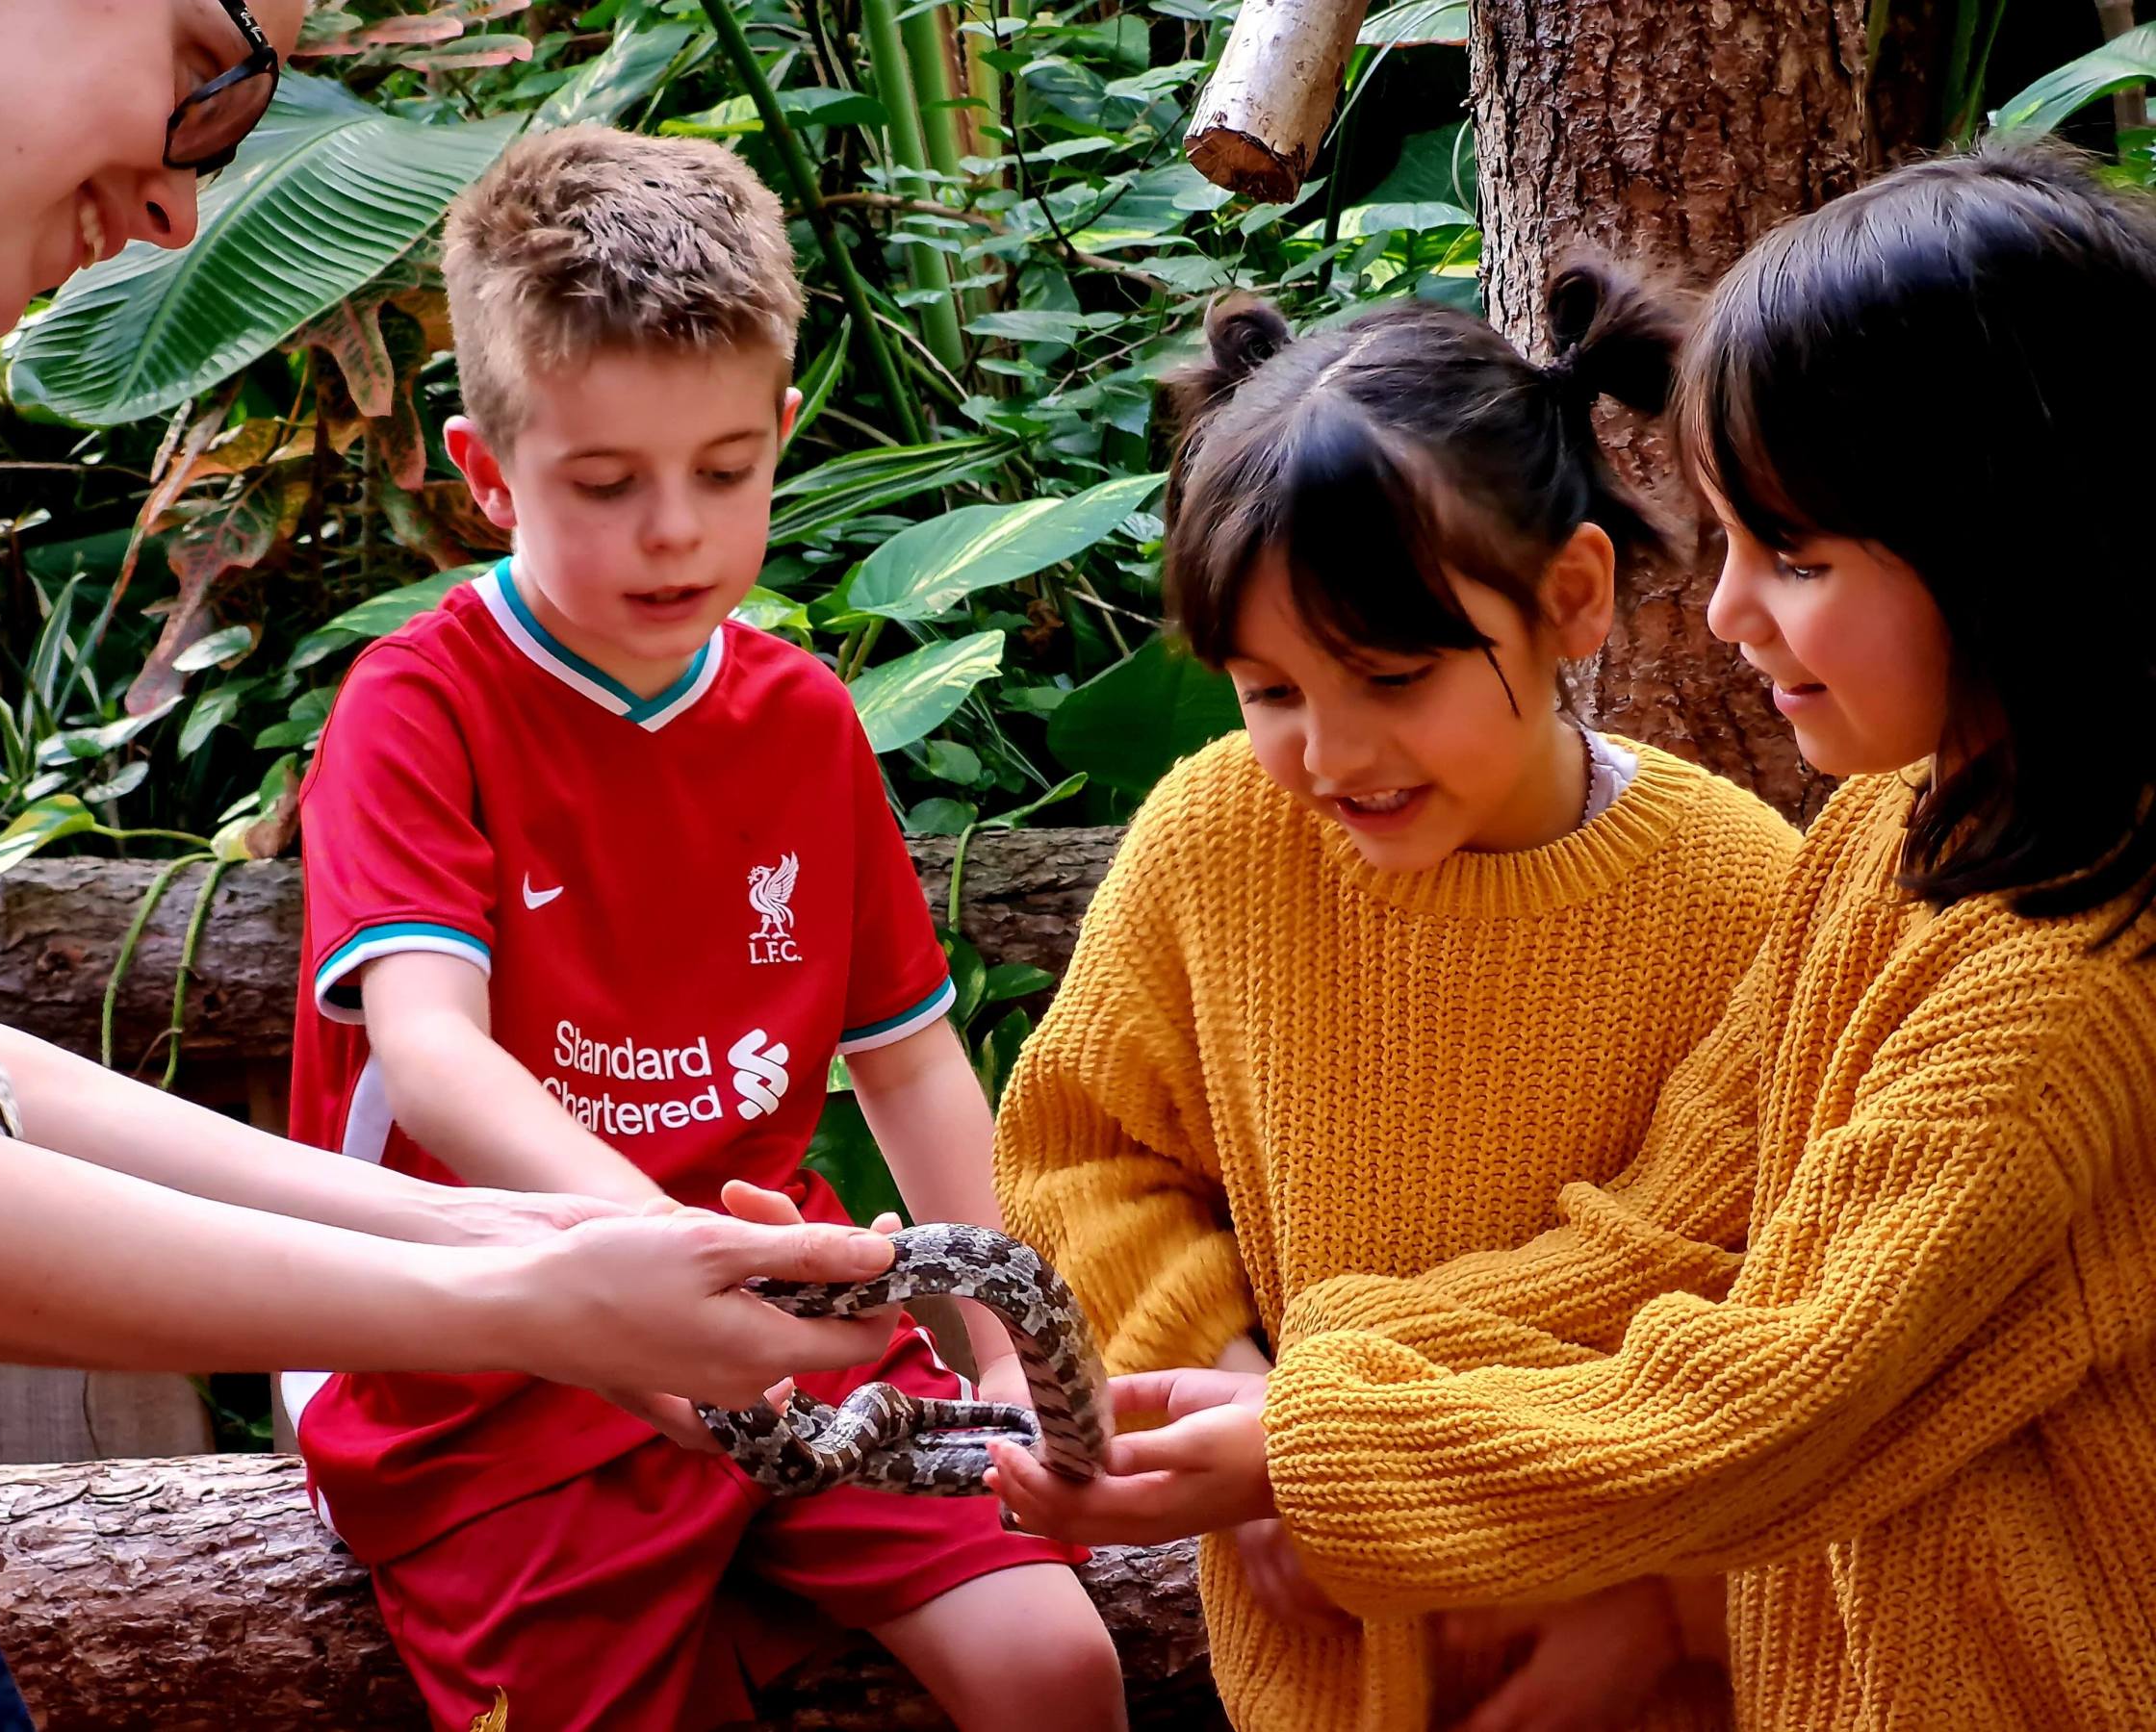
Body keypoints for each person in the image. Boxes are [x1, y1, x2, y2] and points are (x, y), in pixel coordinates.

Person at [988, 141, 2156, 1730]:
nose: (1732, 613)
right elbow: (1679, 1219)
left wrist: (1311, 1448)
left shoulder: (2058, 985)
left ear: (2012, 544)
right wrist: (1307, 1395)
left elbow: (1782, 1388)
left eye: (1793, 557)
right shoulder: (1902, 833)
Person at [0, 7, 905, 1725]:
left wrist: (513, 1256)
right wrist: (524, 1291)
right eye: (202, 40)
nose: (194, 208)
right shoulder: (424, 696)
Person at [279, 125, 1126, 1732]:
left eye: (725, 472)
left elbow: (912, 1063)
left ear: (782, 436)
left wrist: (1005, 1346)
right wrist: (681, 1268)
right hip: (489, 1375)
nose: (676, 530)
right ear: (484, 473)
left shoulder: (801, 720)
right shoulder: (420, 707)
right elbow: (432, 1053)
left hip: (796, 1328)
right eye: (606, 485)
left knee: (1056, 1668)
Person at [990, 267, 1797, 1731]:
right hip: (1318, 1660)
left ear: (1571, 599)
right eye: (1271, 689)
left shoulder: (1742, 895)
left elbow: (1780, 1309)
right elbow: (1083, 1155)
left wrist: (1658, 1601)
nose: (1331, 752)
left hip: (1645, 1661)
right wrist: (1236, 1418)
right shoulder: (1215, 840)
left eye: (1390, 676)